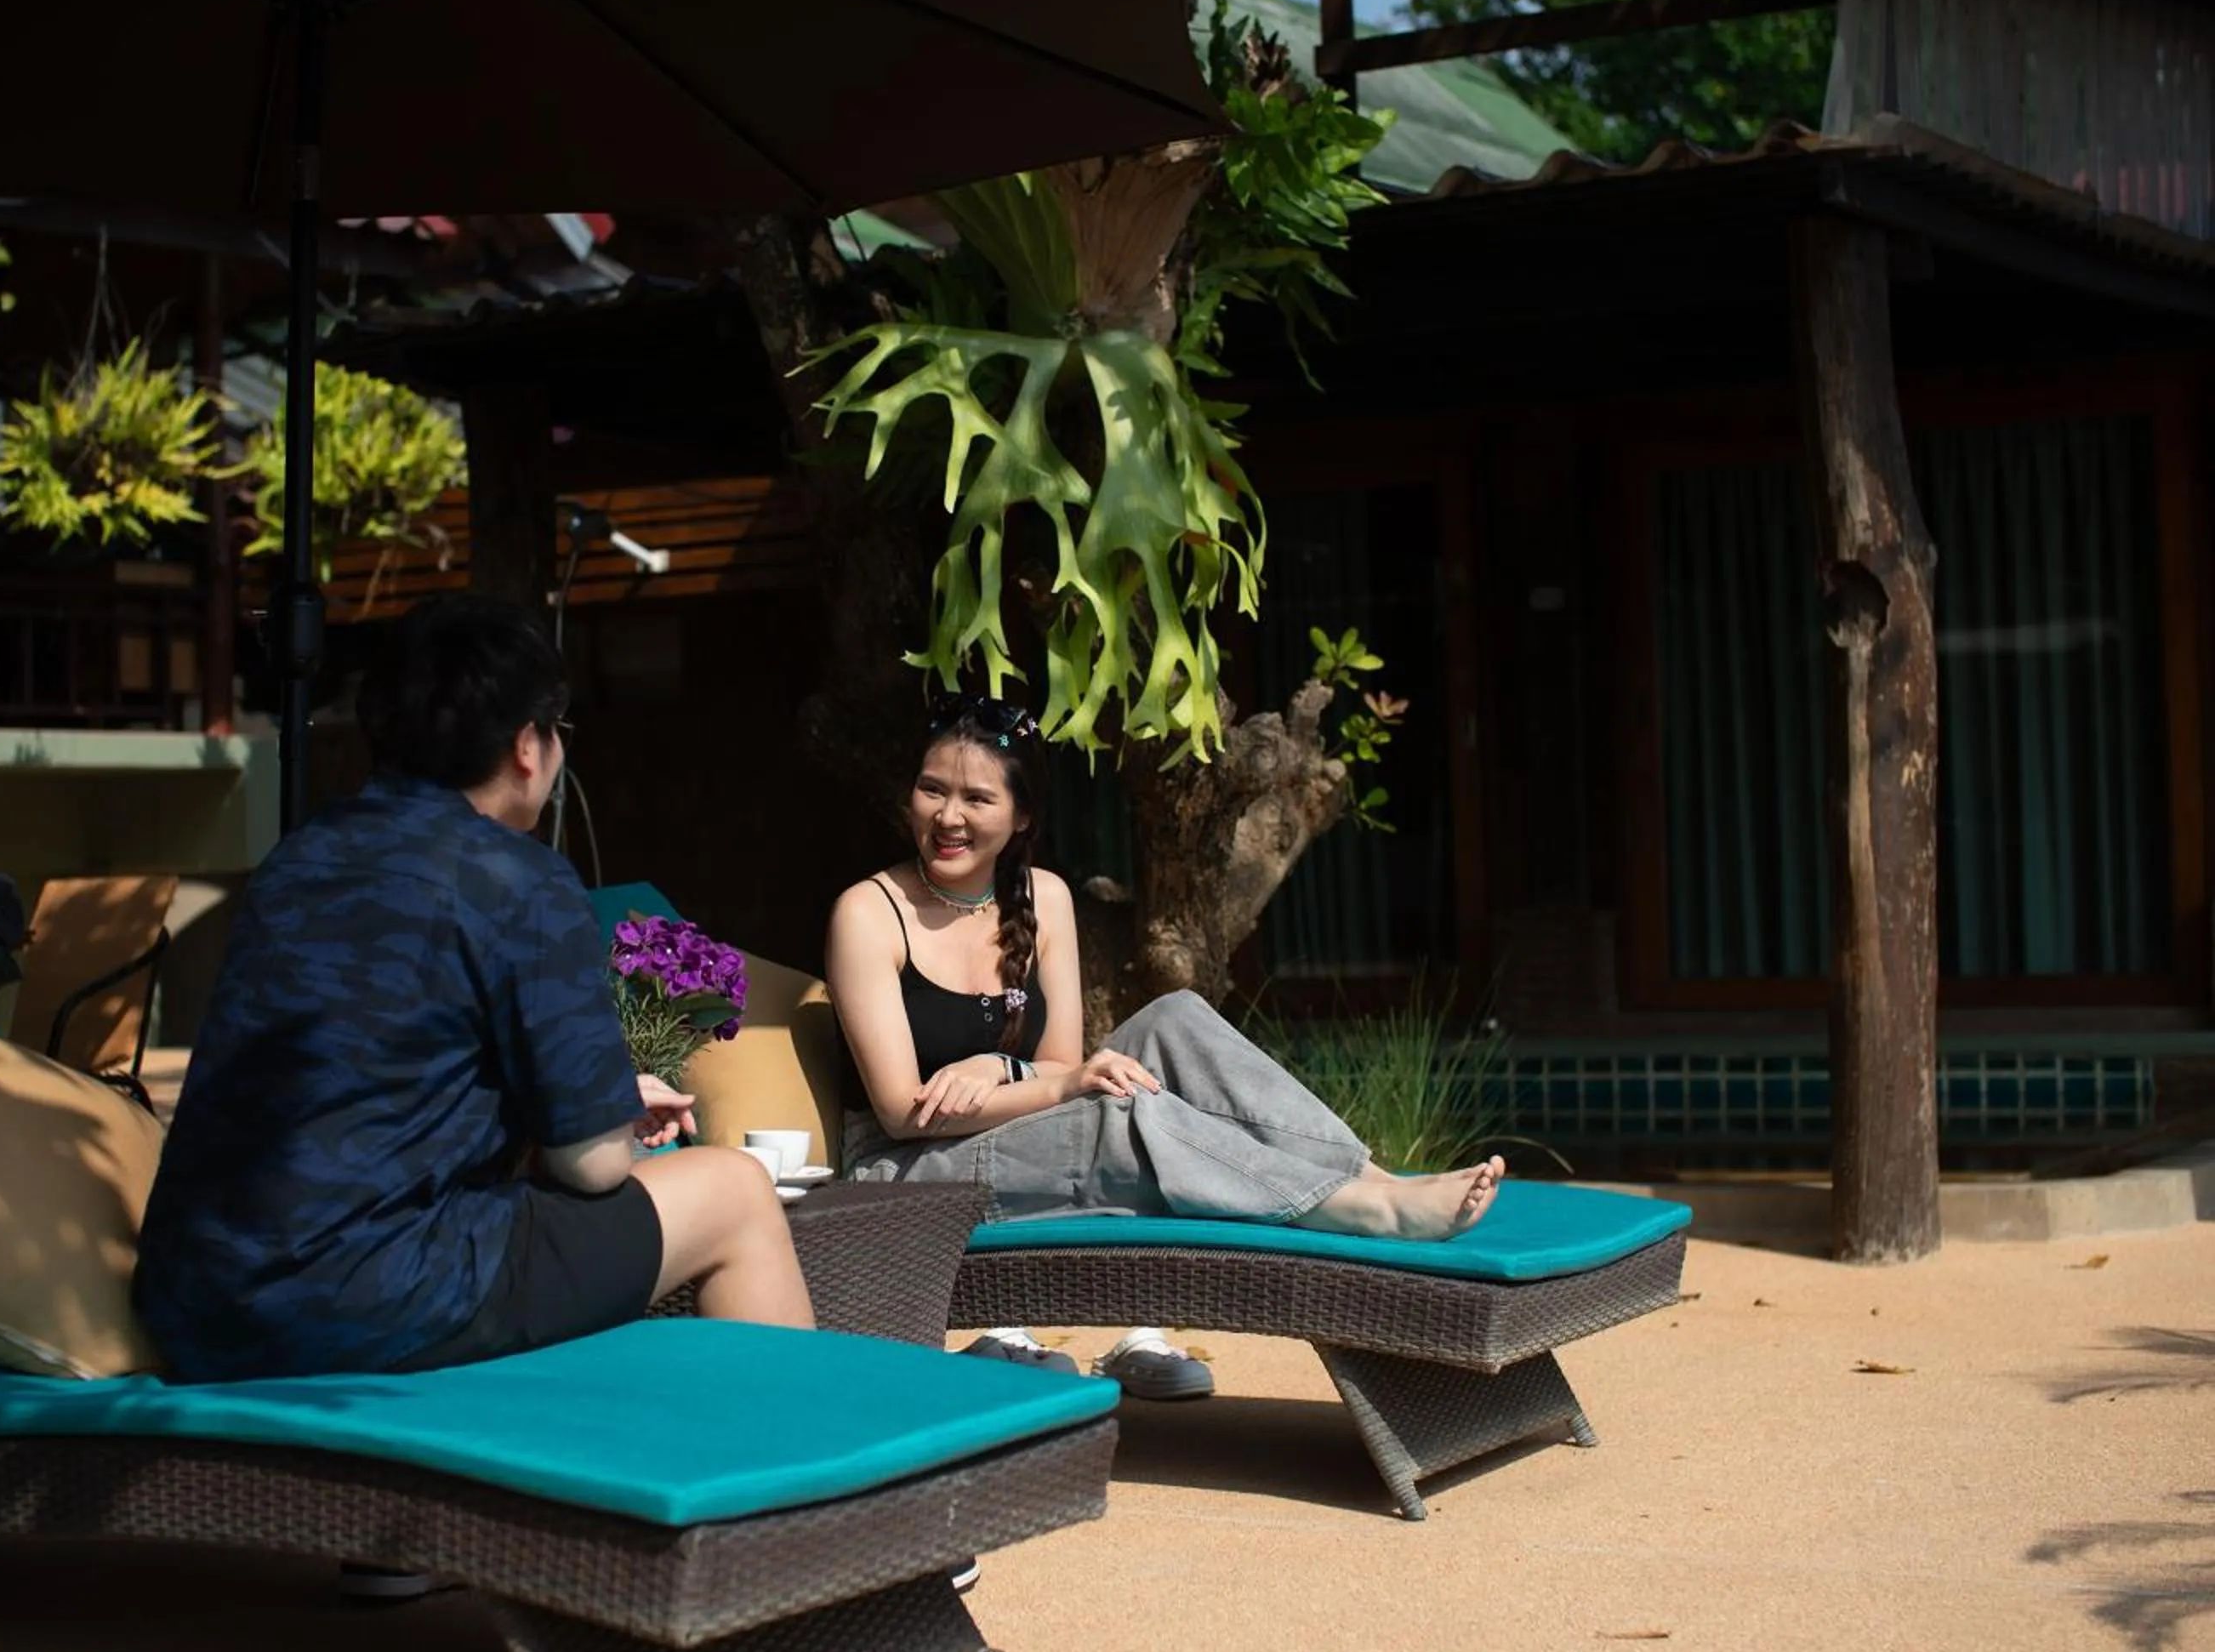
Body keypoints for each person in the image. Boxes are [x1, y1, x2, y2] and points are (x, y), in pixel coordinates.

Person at [137, 592, 812, 1398]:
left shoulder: (301, 858)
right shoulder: (518, 879)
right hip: (362, 1296)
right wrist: (592, 1120)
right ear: (528, 746)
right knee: (734, 1191)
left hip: (197, 1297)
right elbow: (594, 1167)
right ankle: (796, 1464)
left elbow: (360, 1080)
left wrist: (592, 1095)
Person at [823, 692, 1504, 1401]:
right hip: (903, 1172)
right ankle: (1349, 1208)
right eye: (933, 789)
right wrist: (1058, 1087)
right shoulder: (869, 914)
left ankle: (1369, 1176)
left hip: (1001, 1129)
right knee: (1118, 1109)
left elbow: (1055, 1063)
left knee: (1176, 1016)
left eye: (976, 797)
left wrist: (1000, 1066)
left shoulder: (1044, 898)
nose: (949, 816)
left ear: (1021, 816)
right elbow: (904, 1113)